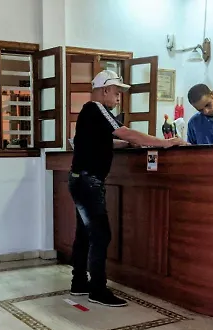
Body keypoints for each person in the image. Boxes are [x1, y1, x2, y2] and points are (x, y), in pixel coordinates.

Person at [69, 70, 186, 307]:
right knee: (101, 235)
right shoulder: (97, 108)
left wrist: (127, 143)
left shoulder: (89, 112)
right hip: (89, 182)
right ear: (105, 90)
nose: (118, 97)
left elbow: (103, 140)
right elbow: (126, 131)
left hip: (79, 180)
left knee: (85, 234)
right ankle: (97, 290)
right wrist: (163, 143)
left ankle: (79, 282)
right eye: (117, 92)